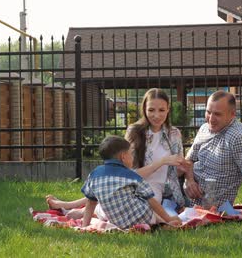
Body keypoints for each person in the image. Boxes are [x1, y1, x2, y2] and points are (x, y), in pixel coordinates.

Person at [46, 88, 187, 214]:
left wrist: (185, 169)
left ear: (168, 109)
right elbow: (126, 174)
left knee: (138, 208)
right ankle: (72, 207)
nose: (156, 115)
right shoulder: (134, 131)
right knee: (114, 194)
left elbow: (178, 170)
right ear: (144, 109)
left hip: (157, 188)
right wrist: (161, 162)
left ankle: (77, 209)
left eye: (161, 110)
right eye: (151, 110)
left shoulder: (174, 134)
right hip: (130, 182)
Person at [183, 90, 242, 214]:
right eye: (208, 112)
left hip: (214, 207)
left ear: (232, 115)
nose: (211, 119)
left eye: (217, 114)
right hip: (185, 196)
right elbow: (188, 160)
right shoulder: (204, 128)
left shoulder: (239, 137)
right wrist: (189, 181)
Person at [81, 136, 182, 228]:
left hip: (119, 224)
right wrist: (168, 218)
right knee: (144, 199)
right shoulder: (132, 176)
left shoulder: (94, 175)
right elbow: (152, 201)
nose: (133, 158)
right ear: (123, 157)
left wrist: (84, 226)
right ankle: (163, 223)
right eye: (131, 154)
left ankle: (160, 224)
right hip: (144, 218)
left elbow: (90, 203)